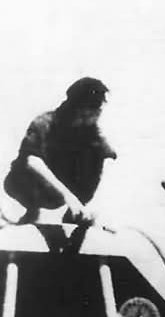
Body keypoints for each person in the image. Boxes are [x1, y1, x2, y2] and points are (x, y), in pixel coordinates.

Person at [4, 77, 116, 226]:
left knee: (95, 156)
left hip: (60, 197)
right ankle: (30, 213)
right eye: (86, 114)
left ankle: (74, 215)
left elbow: (110, 159)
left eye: (95, 113)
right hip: (24, 189)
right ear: (75, 109)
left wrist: (94, 206)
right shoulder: (45, 123)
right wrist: (69, 198)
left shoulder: (91, 133)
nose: (92, 119)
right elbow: (32, 161)